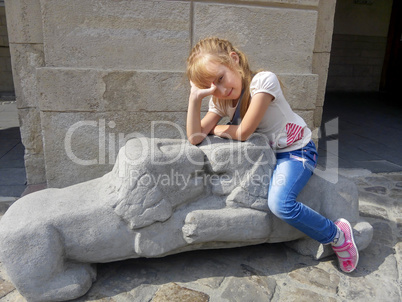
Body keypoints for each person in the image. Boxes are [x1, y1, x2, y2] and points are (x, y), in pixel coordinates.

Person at [185, 37, 359, 273]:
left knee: (280, 204)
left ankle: (337, 235)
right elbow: (195, 136)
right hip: (267, 155)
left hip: (295, 151)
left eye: (220, 78)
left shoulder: (263, 82)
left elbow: (244, 131)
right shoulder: (222, 100)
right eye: (212, 87)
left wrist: (216, 129)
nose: (222, 90)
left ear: (233, 60)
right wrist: (195, 98)